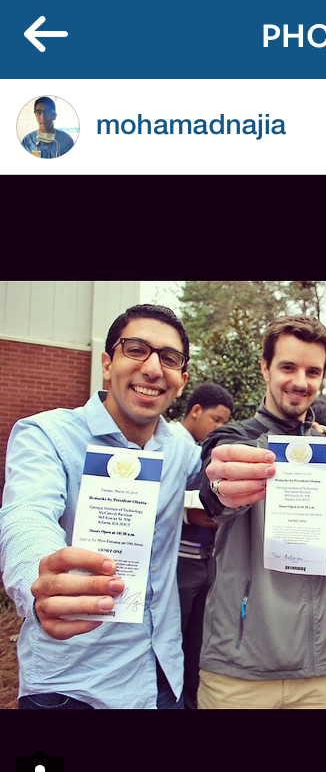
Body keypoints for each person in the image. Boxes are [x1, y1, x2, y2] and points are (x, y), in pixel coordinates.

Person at [0, 304, 201, 709]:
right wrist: (41, 578)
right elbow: (26, 516)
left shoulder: (180, 447)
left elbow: (215, 476)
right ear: (107, 364)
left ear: (181, 381)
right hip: (73, 687)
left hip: (162, 679)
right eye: (136, 349)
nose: (152, 368)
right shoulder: (47, 435)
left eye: (169, 358)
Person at [198, 315, 326, 709]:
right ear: (265, 367)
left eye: (312, 371)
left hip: (323, 674)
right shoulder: (232, 440)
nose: (300, 381)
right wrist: (222, 486)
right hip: (238, 672)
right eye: (288, 367)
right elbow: (214, 489)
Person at [173, 381, 234, 710]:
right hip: (178, 563)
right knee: (177, 635)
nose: (220, 428)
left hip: (203, 560)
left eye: (226, 422)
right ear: (195, 411)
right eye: (216, 419)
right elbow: (191, 509)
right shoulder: (174, 443)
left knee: (195, 637)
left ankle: (188, 698)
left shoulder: (202, 449)